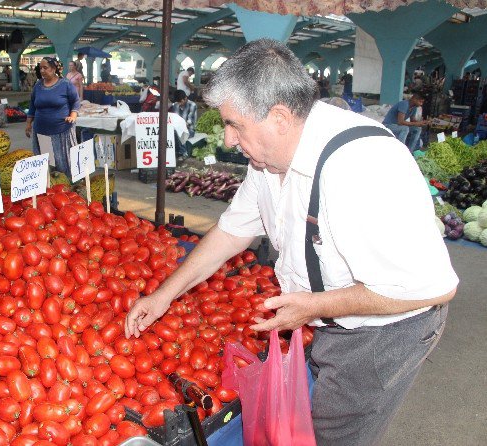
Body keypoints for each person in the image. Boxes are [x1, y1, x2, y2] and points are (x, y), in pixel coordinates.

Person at [125, 39, 457, 446]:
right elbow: (232, 232)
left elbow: (433, 288)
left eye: (235, 125)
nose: (228, 139)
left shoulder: (364, 167)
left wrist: (314, 306)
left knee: (333, 435)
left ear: (279, 117)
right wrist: (164, 295)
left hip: (384, 332)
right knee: (306, 423)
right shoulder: (267, 161)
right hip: (331, 319)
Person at [25, 57, 80, 177]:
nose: (42, 71)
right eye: (41, 68)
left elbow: (75, 101)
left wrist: (73, 115)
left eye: (46, 68)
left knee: (63, 162)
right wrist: (29, 123)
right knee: (49, 162)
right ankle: (50, 190)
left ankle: (67, 188)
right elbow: (32, 105)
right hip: (42, 131)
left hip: (62, 130)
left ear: (54, 68)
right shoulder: (38, 86)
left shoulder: (65, 84)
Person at [170, 89, 197, 159]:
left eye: (181, 102)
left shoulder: (192, 105)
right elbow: (173, 118)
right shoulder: (175, 105)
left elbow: (189, 121)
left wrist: (179, 126)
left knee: (181, 132)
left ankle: (184, 153)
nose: (179, 104)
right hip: (177, 128)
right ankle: (173, 152)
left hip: (189, 129)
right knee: (170, 133)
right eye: (178, 102)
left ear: (185, 98)